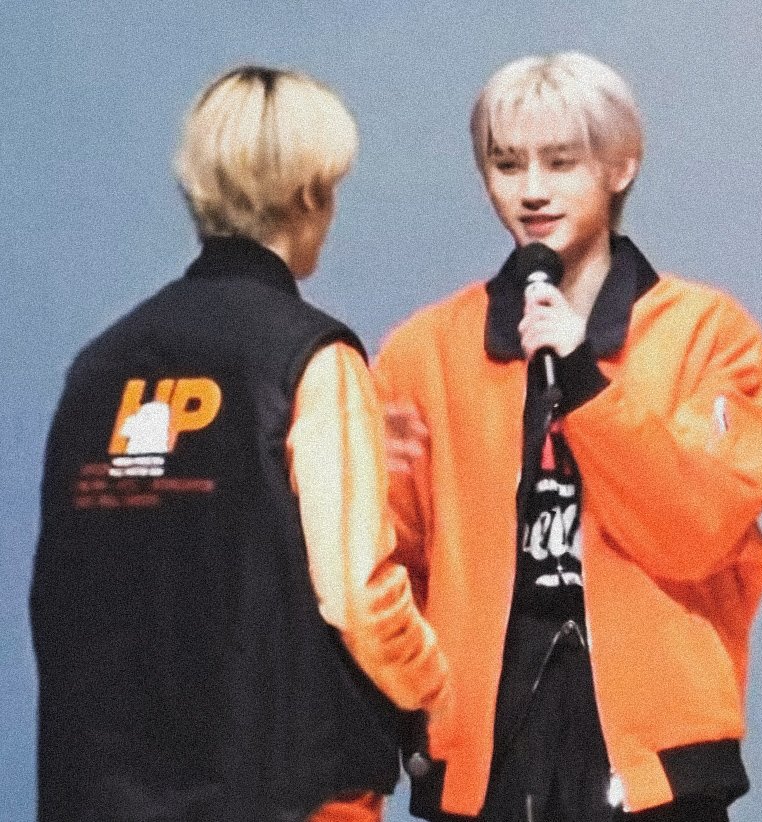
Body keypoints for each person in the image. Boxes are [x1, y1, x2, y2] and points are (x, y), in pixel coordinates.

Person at [30, 66, 449, 822]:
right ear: (310, 195)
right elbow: (357, 595)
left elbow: (62, 597)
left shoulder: (99, 368)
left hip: (103, 792)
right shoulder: (313, 360)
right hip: (288, 790)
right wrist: (431, 683)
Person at [374, 52, 762, 822]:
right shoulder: (422, 355)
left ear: (621, 166)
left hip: (659, 757)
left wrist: (584, 380)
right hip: (485, 753)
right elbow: (386, 558)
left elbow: (697, 530)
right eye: (506, 164)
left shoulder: (709, 337)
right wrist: (416, 715)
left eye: (560, 163)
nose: (531, 190)